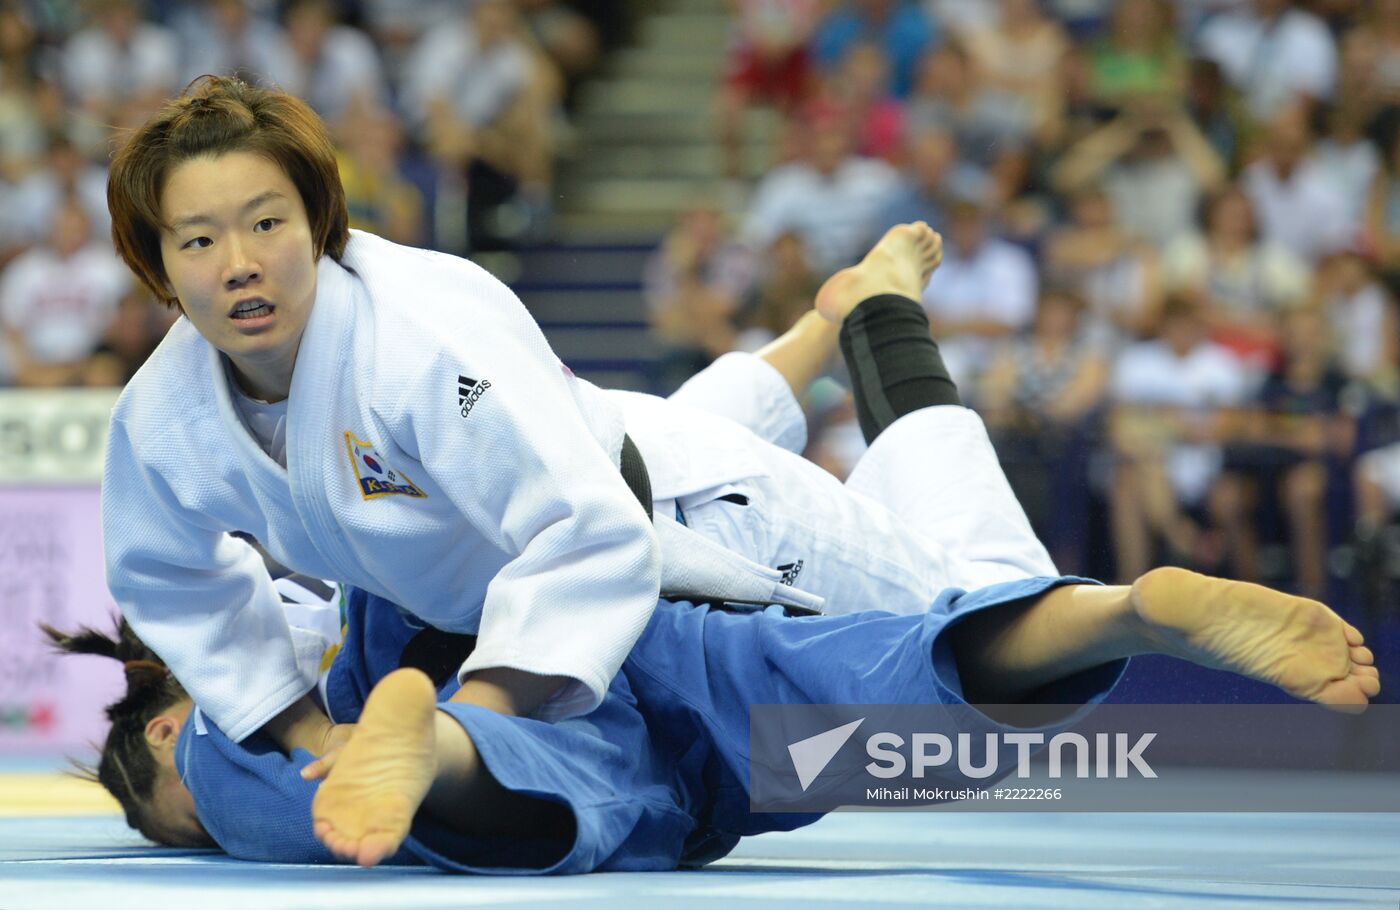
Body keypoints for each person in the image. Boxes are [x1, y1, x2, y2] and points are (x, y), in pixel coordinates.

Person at [51, 234, 1379, 869]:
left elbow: (237, 773)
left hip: (633, 634)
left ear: (164, 744)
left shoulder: (235, 718)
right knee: (906, 651)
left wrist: (238, 787)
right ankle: (1104, 593)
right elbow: (712, 413)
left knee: (936, 635)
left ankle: (1105, 605)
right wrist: (830, 321)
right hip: (628, 537)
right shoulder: (426, 440)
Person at [101, 75, 1040, 798]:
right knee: (635, 428)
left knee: (991, 617)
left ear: (320, 224)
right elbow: (166, 577)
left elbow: (581, 527)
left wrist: (466, 727)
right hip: (585, 446)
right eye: (199, 241)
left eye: (267, 223)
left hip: (695, 521)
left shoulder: (418, 341)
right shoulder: (162, 416)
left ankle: (881, 322)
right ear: (158, 266)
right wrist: (307, 731)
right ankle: (817, 326)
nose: (241, 264)